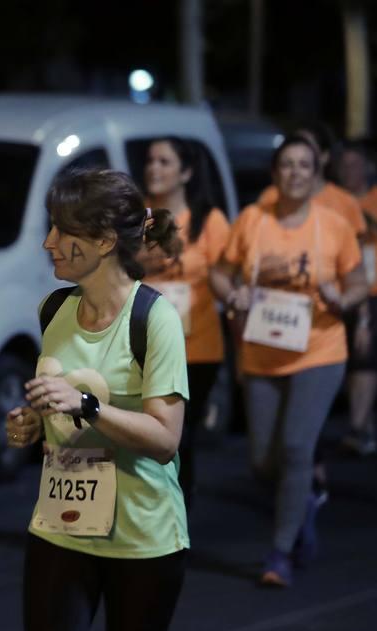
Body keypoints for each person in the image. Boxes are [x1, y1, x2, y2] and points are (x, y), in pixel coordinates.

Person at [2, 168, 187, 631]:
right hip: (62, 526)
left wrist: (84, 403)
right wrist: (29, 427)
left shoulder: (155, 318)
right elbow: (54, 425)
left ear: (105, 240)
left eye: (64, 234)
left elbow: (167, 438)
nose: (49, 244)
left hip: (143, 537)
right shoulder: (55, 308)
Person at [211, 136, 367, 586]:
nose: (296, 172)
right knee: (262, 462)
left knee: (298, 447)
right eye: (287, 165)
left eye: (304, 165)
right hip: (262, 351)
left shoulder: (333, 224)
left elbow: (358, 282)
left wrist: (343, 298)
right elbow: (220, 275)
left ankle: (279, 553)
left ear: (316, 172)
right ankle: (304, 505)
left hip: (319, 349)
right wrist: (233, 293)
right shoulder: (253, 221)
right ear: (275, 173)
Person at [140, 137, 232, 511]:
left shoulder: (209, 221)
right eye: (150, 160)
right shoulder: (138, 217)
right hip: (142, 344)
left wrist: (239, 296)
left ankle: (175, 515)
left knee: (178, 435)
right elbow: (115, 270)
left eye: (165, 161)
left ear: (186, 172)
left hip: (196, 348)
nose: (154, 168)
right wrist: (148, 263)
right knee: (143, 434)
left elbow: (224, 277)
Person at [336, 142, 377, 456]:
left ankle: (358, 426)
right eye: (344, 165)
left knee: (368, 353)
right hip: (346, 287)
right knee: (352, 357)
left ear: (368, 168)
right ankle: (364, 423)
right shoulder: (333, 202)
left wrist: (367, 221)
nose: (350, 170)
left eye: (355, 164)